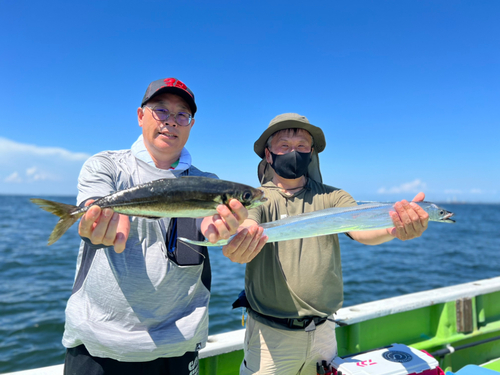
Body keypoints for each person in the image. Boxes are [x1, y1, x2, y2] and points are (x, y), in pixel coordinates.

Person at [62, 77, 264, 375]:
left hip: (177, 347)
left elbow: (211, 223)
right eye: (161, 111)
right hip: (99, 346)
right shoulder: (105, 166)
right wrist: (95, 219)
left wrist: (223, 236)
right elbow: (94, 200)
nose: (171, 122)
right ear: (141, 115)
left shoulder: (206, 181)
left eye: (182, 114)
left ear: (191, 124)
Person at [235, 113, 430, 375]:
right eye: (284, 146)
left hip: (324, 332)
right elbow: (248, 222)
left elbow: (360, 229)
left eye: (302, 146)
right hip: (270, 337)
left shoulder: (333, 197)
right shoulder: (256, 198)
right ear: (269, 155)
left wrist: (393, 228)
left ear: (312, 153)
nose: (294, 152)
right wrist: (242, 233)